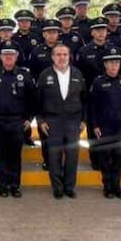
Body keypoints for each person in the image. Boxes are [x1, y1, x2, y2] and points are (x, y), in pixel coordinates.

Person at [0, 43, 37, 198]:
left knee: (15, 156)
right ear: (1, 57)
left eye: (11, 55)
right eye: (5, 55)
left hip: (17, 122)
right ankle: (2, 185)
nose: (8, 57)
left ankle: (15, 186)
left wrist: (29, 118)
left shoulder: (24, 75)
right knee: (1, 155)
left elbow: (33, 99)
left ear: (16, 57)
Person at [36, 43, 87, 200]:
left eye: (65, 54)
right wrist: (41, 120)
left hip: (73, 121)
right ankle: (57, 188)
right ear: (52, 57)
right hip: (53, 120)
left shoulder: (78, 74)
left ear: (69, 56)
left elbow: (85, 99)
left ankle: (69, 187)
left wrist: (84, 120)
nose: (62, 57)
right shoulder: (45, 75)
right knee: (54, 156)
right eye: (58, 54)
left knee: (72, 156)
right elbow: (38, 100)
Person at [89, 46, 121, 199]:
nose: (114, 65)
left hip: (120, 124)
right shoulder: (99, 82)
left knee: (118, 156)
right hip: (104, 125)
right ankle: (107, 186)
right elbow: (92, 106)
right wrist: (94, 125)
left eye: (116, 62)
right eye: (111, 63)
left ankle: (117, 186)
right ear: (105, 65)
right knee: (105, 156)